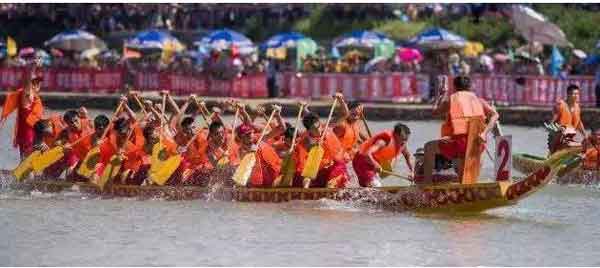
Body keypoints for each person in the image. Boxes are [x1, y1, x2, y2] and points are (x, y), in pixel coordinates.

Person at [423, 76, 499, 181]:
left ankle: (426, 185)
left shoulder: (451, 100)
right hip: (478, 144)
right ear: (470, 87)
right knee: (463, 169)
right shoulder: (480, 101)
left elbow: (434, 111)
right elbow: (495, 115)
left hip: (458, 144)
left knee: (428, 147)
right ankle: (469, 182)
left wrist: (440, 95)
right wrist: (484, 133)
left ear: (454, 87)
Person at [352, 123, 413, 187]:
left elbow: (407, 156)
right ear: (395, 135)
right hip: (362, 162)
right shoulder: (383, 141)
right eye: (402, 139)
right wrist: (375, 164)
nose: (404, 142)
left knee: (366, 187)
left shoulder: (402, 144)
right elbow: (367, 154)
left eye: (406, 139)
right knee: (375, 185)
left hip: (372, 164)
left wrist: (412, 172)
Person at [298, 111, 348, 189]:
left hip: (336, 165)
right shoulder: (305, 141)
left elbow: (345, 114)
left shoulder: (328, 127)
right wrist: (313, 146)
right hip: (320, 169)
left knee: (330, 185)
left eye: (319, 127)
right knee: (307, 182)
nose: (318, 130)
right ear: (308, 130)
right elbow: (308, 163)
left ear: (320, 123)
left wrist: (340, 99)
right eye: (314, 129)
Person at [1, 70, 44, 159]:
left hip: (28, 131)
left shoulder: (34, 98)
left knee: (25, 158)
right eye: (35, 83)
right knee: (27, 159)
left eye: (39, 83)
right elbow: (27, 84)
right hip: (27, 133)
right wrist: (33, 68)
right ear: (30, 85)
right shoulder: (27, 96)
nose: (38, 85)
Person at [332, 95, 369, 161]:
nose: (356, 118)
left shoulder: (355, 125)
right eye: (353, 114)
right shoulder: (341, 125)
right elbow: (330, 143)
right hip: (335, 158)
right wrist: (341, 100)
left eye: (358, 115)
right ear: (348, 112)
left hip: (348, 156)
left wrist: (374, 144)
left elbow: (365, 139)